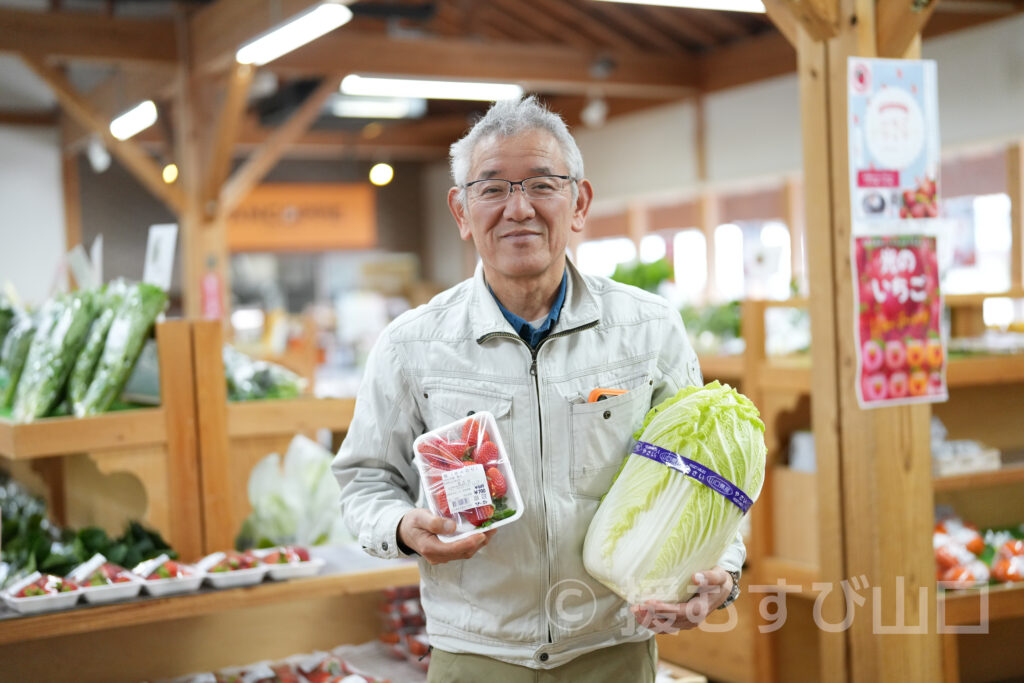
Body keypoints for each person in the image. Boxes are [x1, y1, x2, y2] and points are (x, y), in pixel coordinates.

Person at [332, 96, 745, 682]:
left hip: (613, 648)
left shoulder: (647, 329)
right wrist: (402, 528)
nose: (518, 208)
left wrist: (720, 574)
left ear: (579, 202)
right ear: (461, 210)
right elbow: (365, 479)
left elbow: (711, 477)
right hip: (476, 655)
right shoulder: (411, 345)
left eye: (542, 185)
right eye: (493, 188)